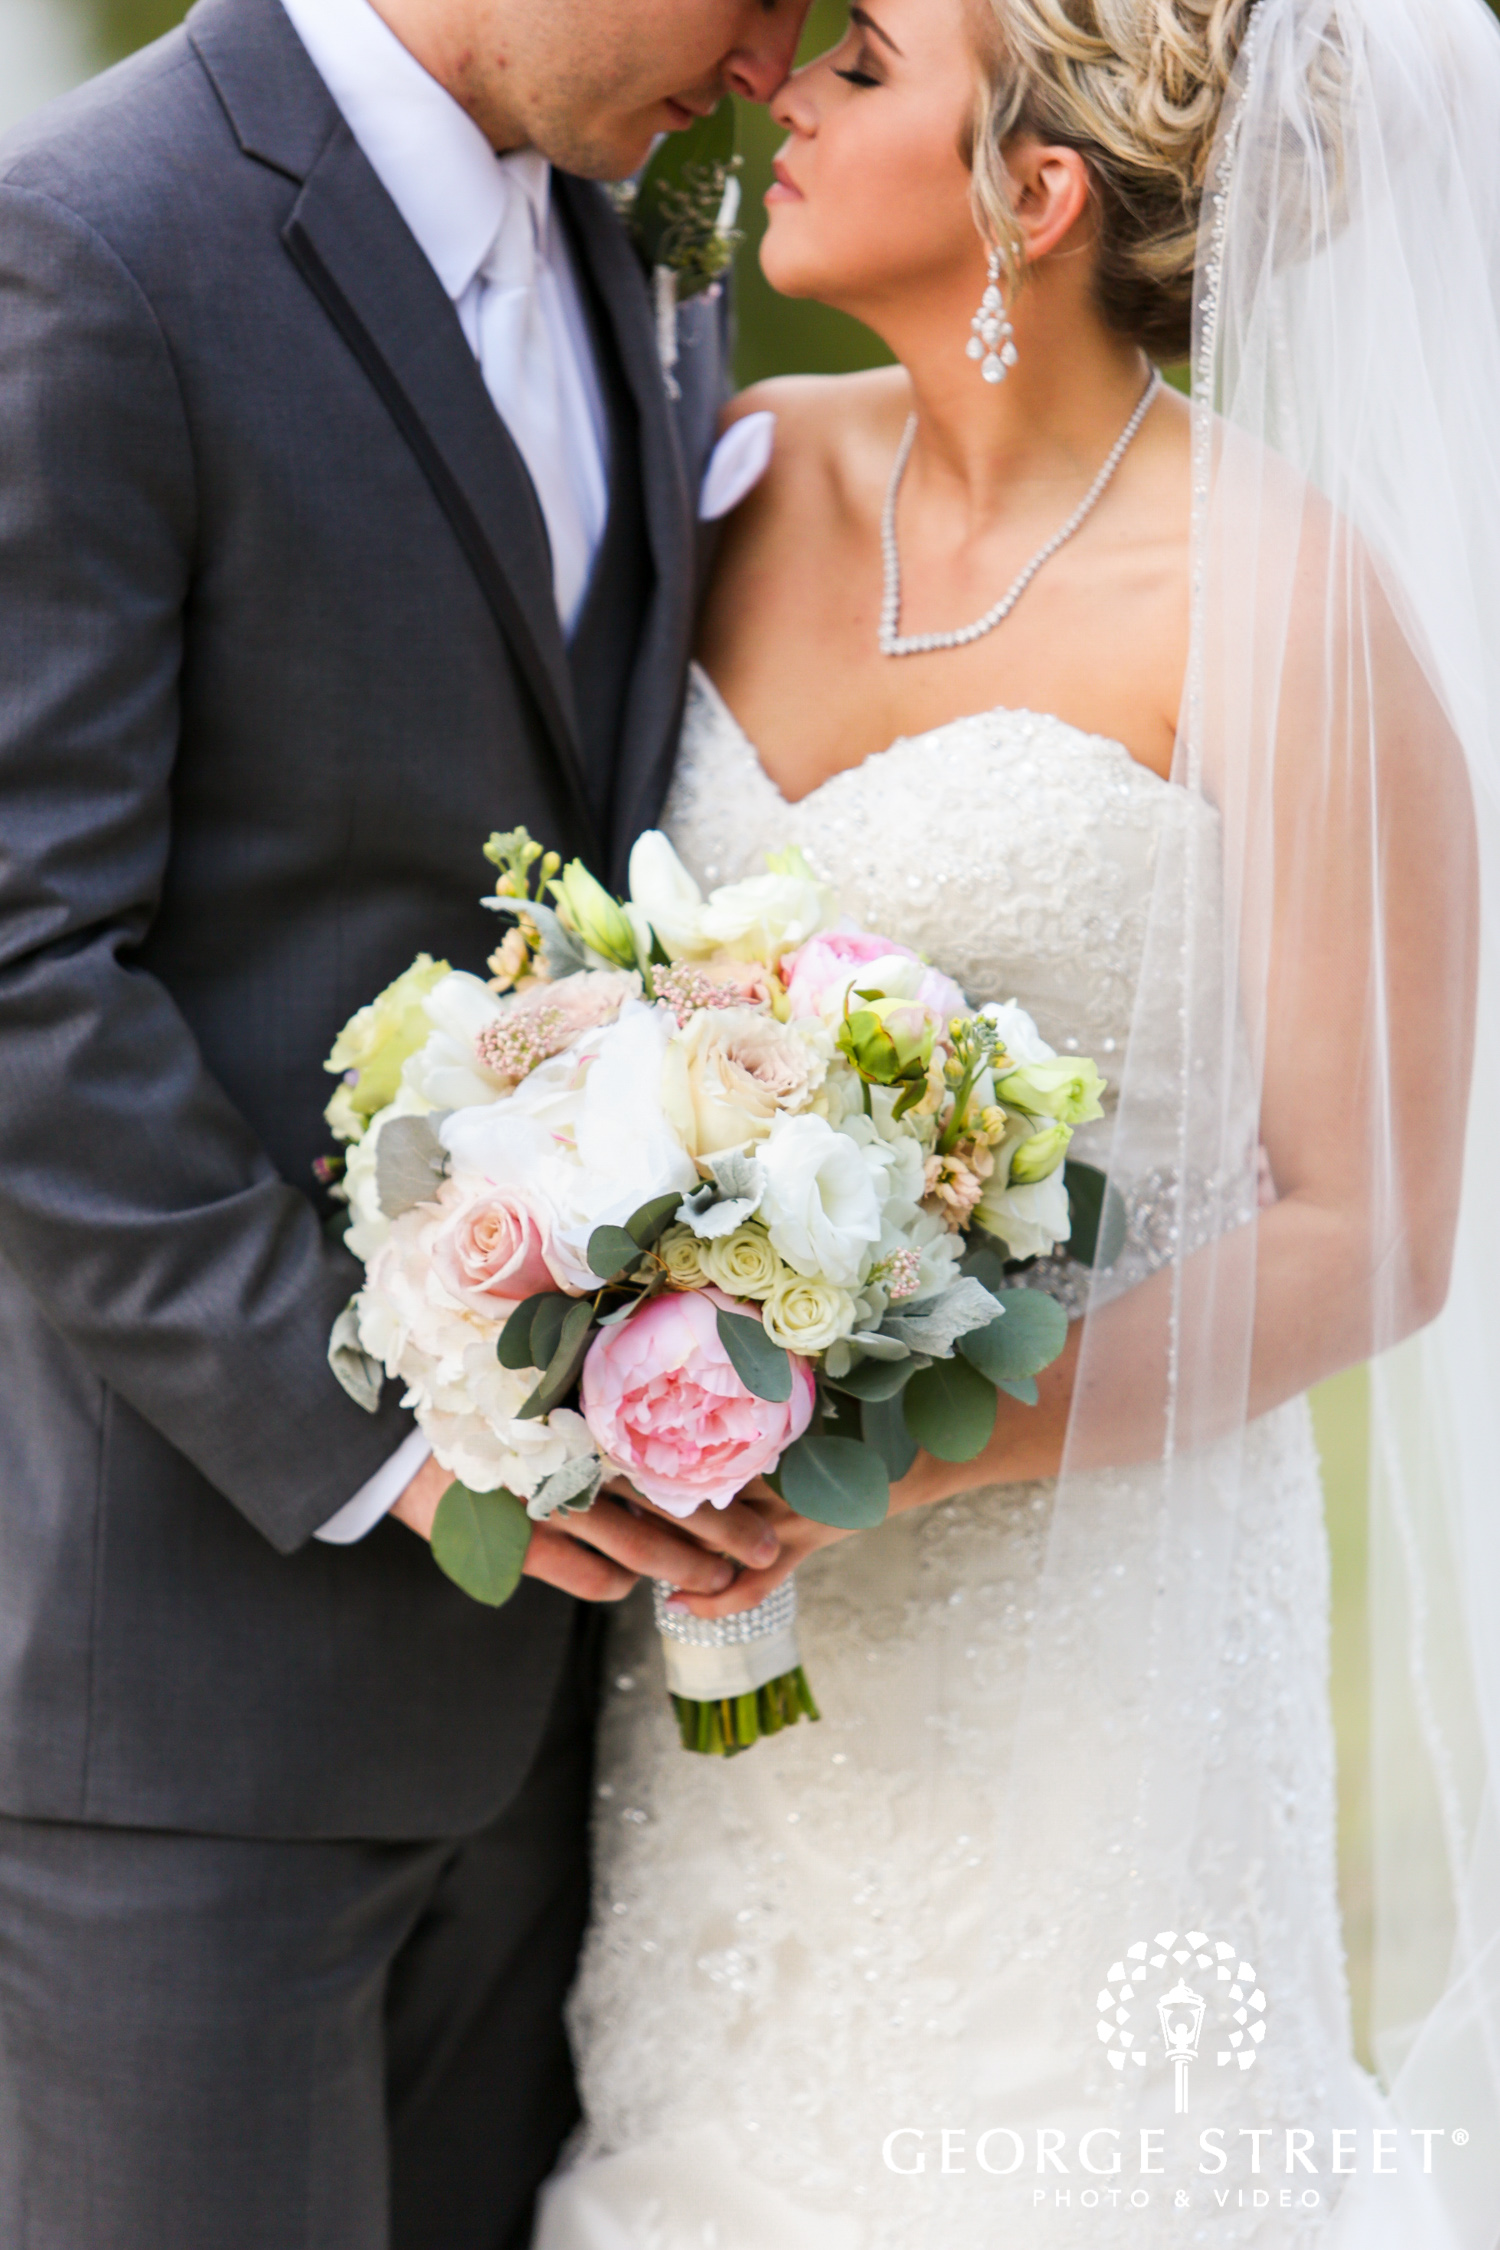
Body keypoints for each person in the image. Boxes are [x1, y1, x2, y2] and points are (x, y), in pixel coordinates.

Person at [537, 0, 1500, 2243]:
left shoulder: (1280, 599)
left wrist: (897, 1443)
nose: (779, 77)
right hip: (721, 1700)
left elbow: (1374, 1224)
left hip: (1087, 1676)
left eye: (862, 67)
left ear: (1032, 200)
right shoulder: (742, 470)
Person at [0, 1, 810, 2244]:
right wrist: (391, 1439)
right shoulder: (96, 244)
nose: (769, 66)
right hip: (191, 1722)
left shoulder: (651, 255)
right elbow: (21, 969)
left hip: (564, 1740)